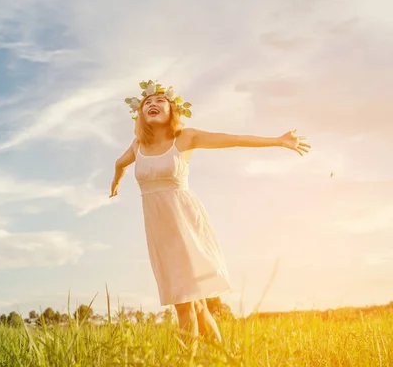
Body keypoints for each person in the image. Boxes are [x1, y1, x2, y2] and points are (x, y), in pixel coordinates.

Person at [109, 80, 310, 347]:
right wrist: (116, 184)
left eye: (159, 101)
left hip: (185, 225)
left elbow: (233, 140)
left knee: (183, 303)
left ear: (171, 111)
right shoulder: (138, 145)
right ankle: (225, 358)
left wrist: (277, 141)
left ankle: (186, 362)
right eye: (147, 102)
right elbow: (119, 163)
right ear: (141, 115)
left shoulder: (186, 137)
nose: (152, 104)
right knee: (198, 305)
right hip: (159, 231)